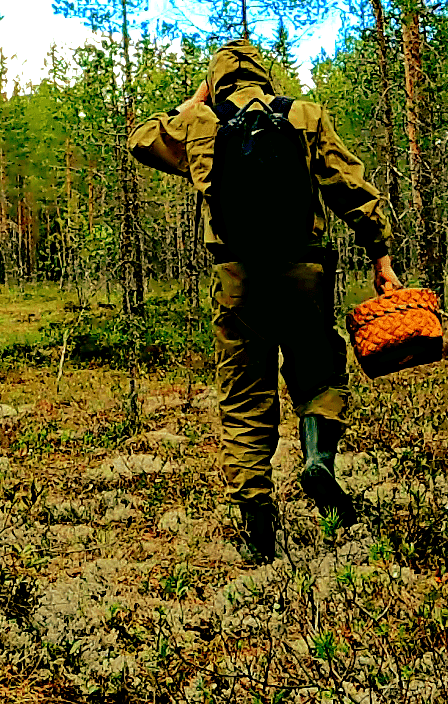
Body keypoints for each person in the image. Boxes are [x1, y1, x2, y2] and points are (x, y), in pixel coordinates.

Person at [128, 41, 399, 563]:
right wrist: (380, 255)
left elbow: (141, 141)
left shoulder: (202, 124)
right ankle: (318, 458)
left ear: (217, 80)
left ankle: (257, 527)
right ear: (264, 75)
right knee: (319, 374)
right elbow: (351, 188)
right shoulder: (303, 115)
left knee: (244, 394)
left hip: (238, 276)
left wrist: (197, 99)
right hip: (305, 272)